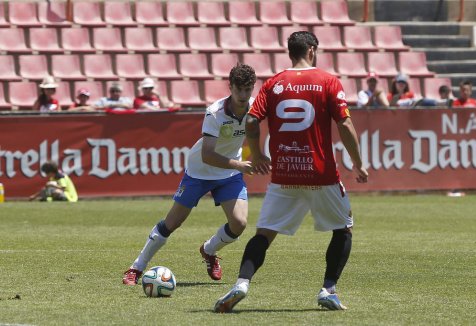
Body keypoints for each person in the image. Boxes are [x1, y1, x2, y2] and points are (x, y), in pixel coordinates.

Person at [214, 31, 368, 313]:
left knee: (264, 234)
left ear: (290, 52)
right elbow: (345, 125)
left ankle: (242, 283)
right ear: (311, 50)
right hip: (321, 175)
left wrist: (258, 154)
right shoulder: (328, 82)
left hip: (284, 175)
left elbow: (251, 120)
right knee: (343, 228)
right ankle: (328, 289)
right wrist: (357, 162)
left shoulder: (274, 84)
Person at [122, 64, 257, 285]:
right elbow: (208, 155)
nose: (243, 95)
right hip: (200, 171)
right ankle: (136, 268)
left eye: (247, 89)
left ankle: (209, 250)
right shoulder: (215, 113)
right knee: (173, 222)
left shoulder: (256, 108)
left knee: (239, 223)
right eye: (239, 89)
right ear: (230, 87)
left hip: (229, 173)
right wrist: (239, 165)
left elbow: (256, 131)